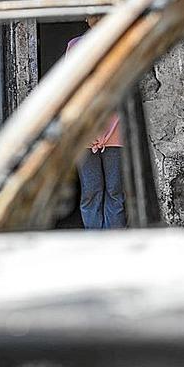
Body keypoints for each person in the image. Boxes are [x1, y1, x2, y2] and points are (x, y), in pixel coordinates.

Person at [68, 16, 126, 229]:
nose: (98, 18)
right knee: (91, 191)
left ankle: (115, 241)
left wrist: (106, 132)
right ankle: (95, 242)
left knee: (115, 191)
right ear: (86, 17)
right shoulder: (75, 47)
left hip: (116, 129)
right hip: (85, 129)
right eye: (93, 14)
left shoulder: (122, 44)